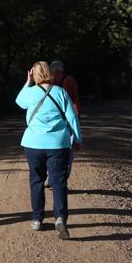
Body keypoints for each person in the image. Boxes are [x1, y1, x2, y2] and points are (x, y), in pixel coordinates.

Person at [16, 60, 82, 240]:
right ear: (50, 73)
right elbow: (72, 118)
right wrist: (77, 139)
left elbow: (18, 101)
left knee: (36, 180)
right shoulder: (60, 92)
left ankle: (37, 219)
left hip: (33, 144)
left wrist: (28, 81)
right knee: (58, 182)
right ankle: (60, 218)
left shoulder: (30, 93)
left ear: (34, 74)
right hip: (58, 144)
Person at [49, 60, 82, 183]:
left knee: (58, 148)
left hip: (60, 118)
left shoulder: (52, 82)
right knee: (66, 150)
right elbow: (75, 99)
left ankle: (55, 177)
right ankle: (60, 177)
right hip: (67, 118)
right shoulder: (68, 80)